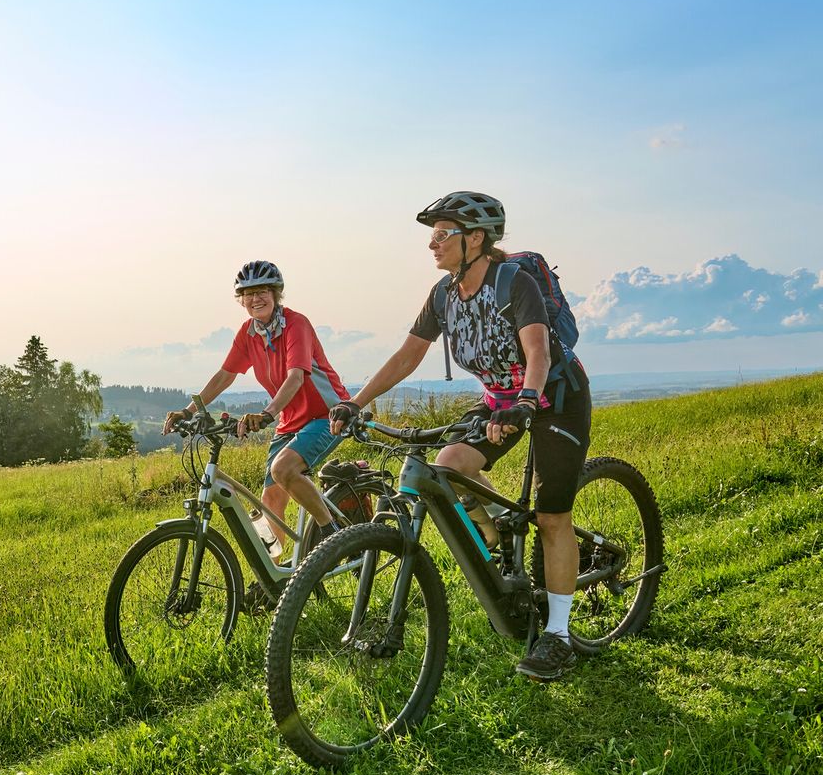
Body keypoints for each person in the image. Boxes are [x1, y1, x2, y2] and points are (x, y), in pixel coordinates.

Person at [329, 192, 592, 681]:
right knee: (448, 466)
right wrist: (354, 403)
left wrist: (527, 403)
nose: (433, 244)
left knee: (553, 514)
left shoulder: (515, 282)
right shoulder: (443, 295)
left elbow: (537, 353)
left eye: (442, 234)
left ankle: (557, 638)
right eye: (432, 234)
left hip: (554, 394)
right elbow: (407, 356)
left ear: (475, 239)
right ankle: (499, 536)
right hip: (498, 399)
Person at [163, 260, 352, 563]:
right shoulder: (248, 333)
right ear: (241, 300)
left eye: (263, 291)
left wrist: (267, 413)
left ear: (276, 294)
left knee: (284, 469)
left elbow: (296, 376)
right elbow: (225, 375)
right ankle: (273, 581)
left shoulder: (296, 324)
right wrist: (188, 410)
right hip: (290, 420)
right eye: (248, 294)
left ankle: (334, 539)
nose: (255, 299)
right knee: (270, 502)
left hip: (327, 415)